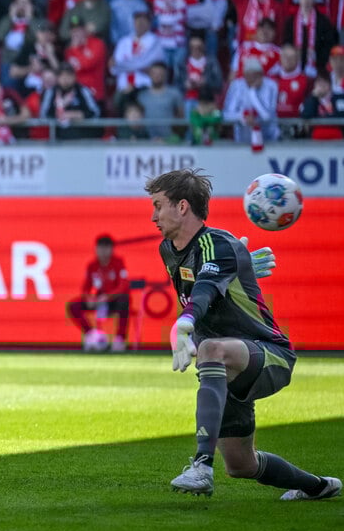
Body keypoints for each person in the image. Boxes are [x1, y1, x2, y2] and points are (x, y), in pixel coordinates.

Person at [146, 168, 340, 500]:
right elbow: (202, 287)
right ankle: (319, 487)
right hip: (229, 365)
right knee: (241, 464)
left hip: (270, 355)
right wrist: (239, 268)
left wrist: (185, 323)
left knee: (210, 350)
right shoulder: (170, 249)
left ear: (181, 207)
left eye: (158, 205)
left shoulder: (219, 244)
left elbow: (204, 291)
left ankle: (201, 466)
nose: (153, 216)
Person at [66, 234, 130, 353]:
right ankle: (92, 335)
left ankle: (119, 339)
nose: (103, 252)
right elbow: (86, 287)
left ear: (111, 249)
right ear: (96, 249)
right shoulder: (92, 266)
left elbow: (123, 285)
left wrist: (108, 297)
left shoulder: (118, 263)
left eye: (106, 248)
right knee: (73, 305)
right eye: (100, 248)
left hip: (113, 301)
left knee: (124, 300)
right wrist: (89, 298)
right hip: (97, 300)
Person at [222, 57, 279, 143]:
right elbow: (226, 114)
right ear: (244, 75)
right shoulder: (236, 86)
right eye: (249, 76)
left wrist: (252, 93)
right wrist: (242, 117)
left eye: (256, 76)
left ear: (261, 75)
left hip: (269, 138)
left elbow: (267, 116)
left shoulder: (271, 86)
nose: (252, 79)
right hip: (242, 139)